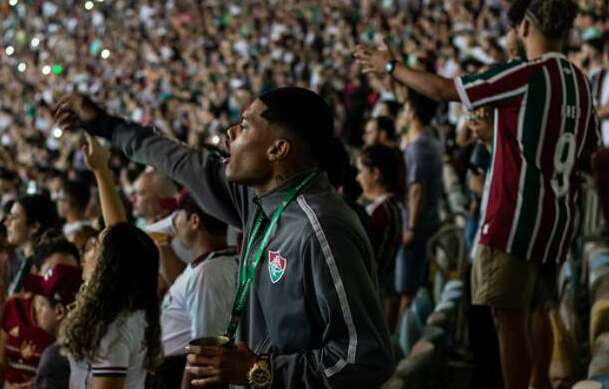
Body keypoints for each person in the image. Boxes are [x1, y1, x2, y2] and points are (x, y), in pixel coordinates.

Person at [54, 87, 394, 388]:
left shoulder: (320, 228)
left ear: (278, 149)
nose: (230, 132)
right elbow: (177, 159)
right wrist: (102, 123)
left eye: (245, 125)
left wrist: (259, 371)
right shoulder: (257, 201)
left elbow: (364, 358)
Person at [355, 1, 601, 388]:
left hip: (512, 220)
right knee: (540, 310)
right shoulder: (579, 81)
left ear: (523, 26)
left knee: (508, 320)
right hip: (556, 224)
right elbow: (586, 152)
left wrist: (392, 66)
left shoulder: (525, 74)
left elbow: (442, 89)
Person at [58, 135, 163, 389]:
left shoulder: (113, 329)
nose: (87, 249)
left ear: (109, 265)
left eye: (95, 245)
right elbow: (120, 234)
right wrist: (100, 169)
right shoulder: (123, 312)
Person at [0, 237, 80, 389]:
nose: (63, 281)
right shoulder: (14, 306)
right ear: (37, 272)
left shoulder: (76, 319)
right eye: (55, 272)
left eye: (71, 273)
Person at [396, 89, 442, 313]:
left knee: (407, 289)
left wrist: (410, 227)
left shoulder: (419, 147)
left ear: (412, 112)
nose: (403, 113)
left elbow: (416, 189)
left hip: (417, 226)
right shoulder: (431, 140)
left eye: (405, 109)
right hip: (428, 222)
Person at [356, 144, 403, 332]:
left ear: (375, 173)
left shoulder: (380, 213)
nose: (358, 177)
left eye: (361, 171)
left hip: (374, 294)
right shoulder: (391, 207)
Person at [25, 263, 83, 389]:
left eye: (42, 304)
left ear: (59, 311)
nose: (37, 309)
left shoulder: (54, 358)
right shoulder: (95, 342)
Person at [3, 194, 61, 295]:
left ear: (34, 226)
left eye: (14, 217)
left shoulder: (45, 267)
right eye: (8, 217)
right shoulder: (22, 260)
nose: (6, 223)